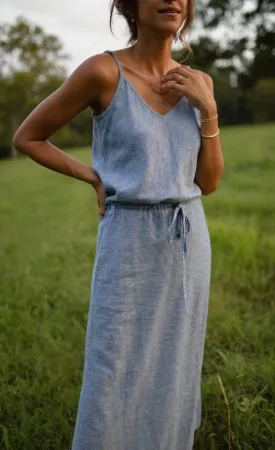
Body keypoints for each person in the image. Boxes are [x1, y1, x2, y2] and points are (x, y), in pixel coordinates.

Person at [13, 0, 224, 448]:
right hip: (128, 242)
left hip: (189, 240)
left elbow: (207, 182)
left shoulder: (199, 82)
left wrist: (208, 109)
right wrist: (91, 174)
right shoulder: (103, 72)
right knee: (114, 365)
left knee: (177, 359)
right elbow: (28, 137)